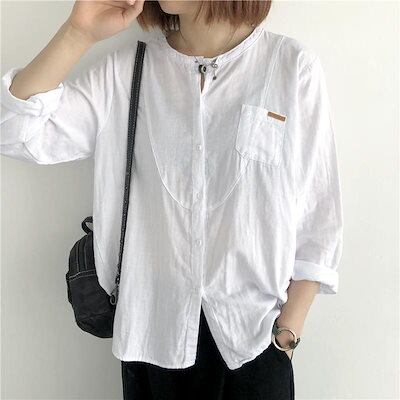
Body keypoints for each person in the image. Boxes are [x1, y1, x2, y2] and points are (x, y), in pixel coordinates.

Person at [0, 1, 344, 399]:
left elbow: (318, 216)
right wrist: (78, 32)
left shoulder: (290, 67)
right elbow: (15, 132)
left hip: (253, 343)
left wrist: (286, 336)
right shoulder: (126, 72)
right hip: (152, 342)